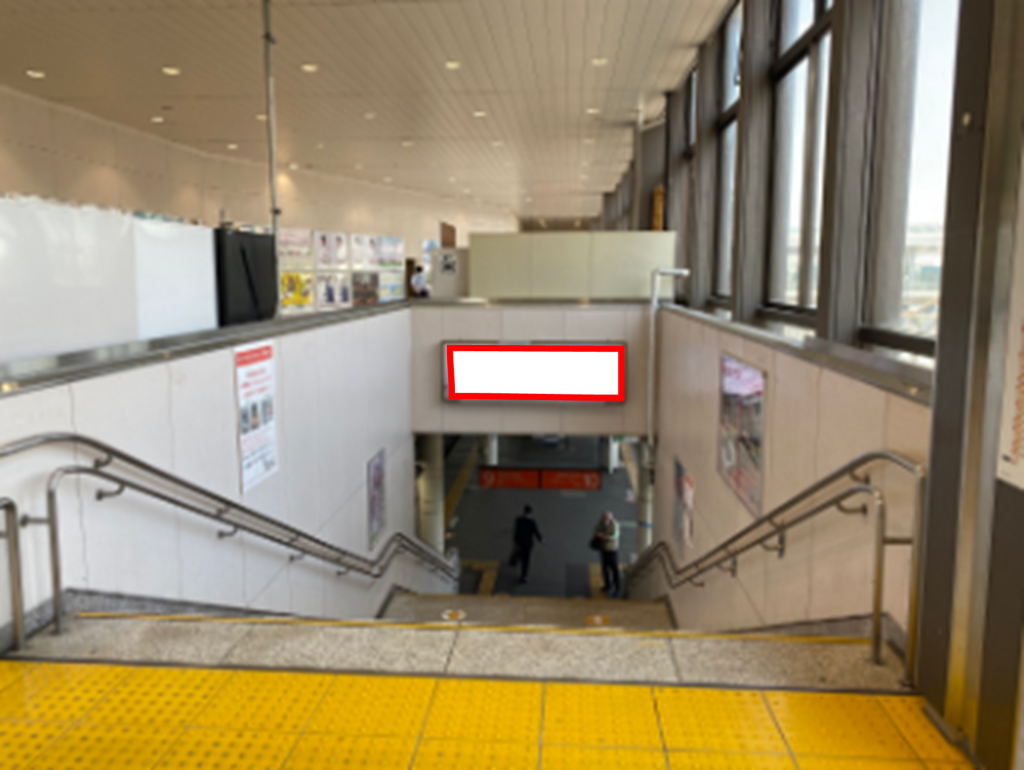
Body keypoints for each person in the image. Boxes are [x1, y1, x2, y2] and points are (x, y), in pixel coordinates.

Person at [511, 504, 543, 584]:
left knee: (520, 555)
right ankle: (524, 576)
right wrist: (541, 539)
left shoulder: (518, 520)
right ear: (531, 512)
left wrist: (515, 541)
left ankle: (516, 560)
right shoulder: (532, 522)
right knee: (526, 560)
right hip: (528, 545)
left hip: (520, 543)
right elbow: (536, 532)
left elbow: (516, 531)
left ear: (524, 511)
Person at [594, 511, 621, 597]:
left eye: (607, 518)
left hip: (612, 549)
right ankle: (607, 585)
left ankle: (617, 588)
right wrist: (597, 533)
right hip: (604, 548)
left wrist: (604, 537)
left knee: (614, 569)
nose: (605, 520)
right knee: (604, 568)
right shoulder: (601, 523)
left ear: (611, 519)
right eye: (604, 518)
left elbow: (615, 536)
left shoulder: (615, 525)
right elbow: (595, 529)